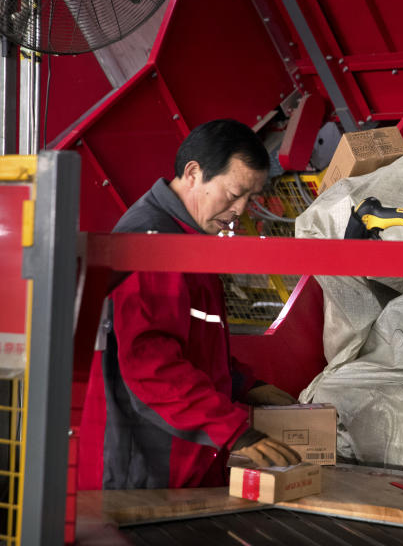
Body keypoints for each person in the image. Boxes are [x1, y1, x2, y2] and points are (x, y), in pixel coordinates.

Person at [79, 119, 302, 490]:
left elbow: (198, 343)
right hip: (145, 470)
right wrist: (234, 431)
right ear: (193, 173)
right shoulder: (153, 243)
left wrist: (244, 384)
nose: (240, 210)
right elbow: (153, 365)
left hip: (182, 459)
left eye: (250, 198)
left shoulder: (188, 239)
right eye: (233, 194)